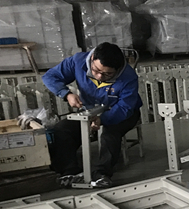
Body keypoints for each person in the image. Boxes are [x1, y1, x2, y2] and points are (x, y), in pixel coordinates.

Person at [42, 42, 142, 188]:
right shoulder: (78, 61)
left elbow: (125, 107)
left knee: (110, 133)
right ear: (93, 57)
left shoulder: (129, 76)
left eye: (107, 74)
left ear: (118, 69)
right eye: (96, 70)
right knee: (62, 130)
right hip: (89, 111)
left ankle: (101, 174)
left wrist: (103, 119)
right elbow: (50, 76)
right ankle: (70, 172)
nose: (100, 76)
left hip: (121, 113)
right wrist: (67, 94)